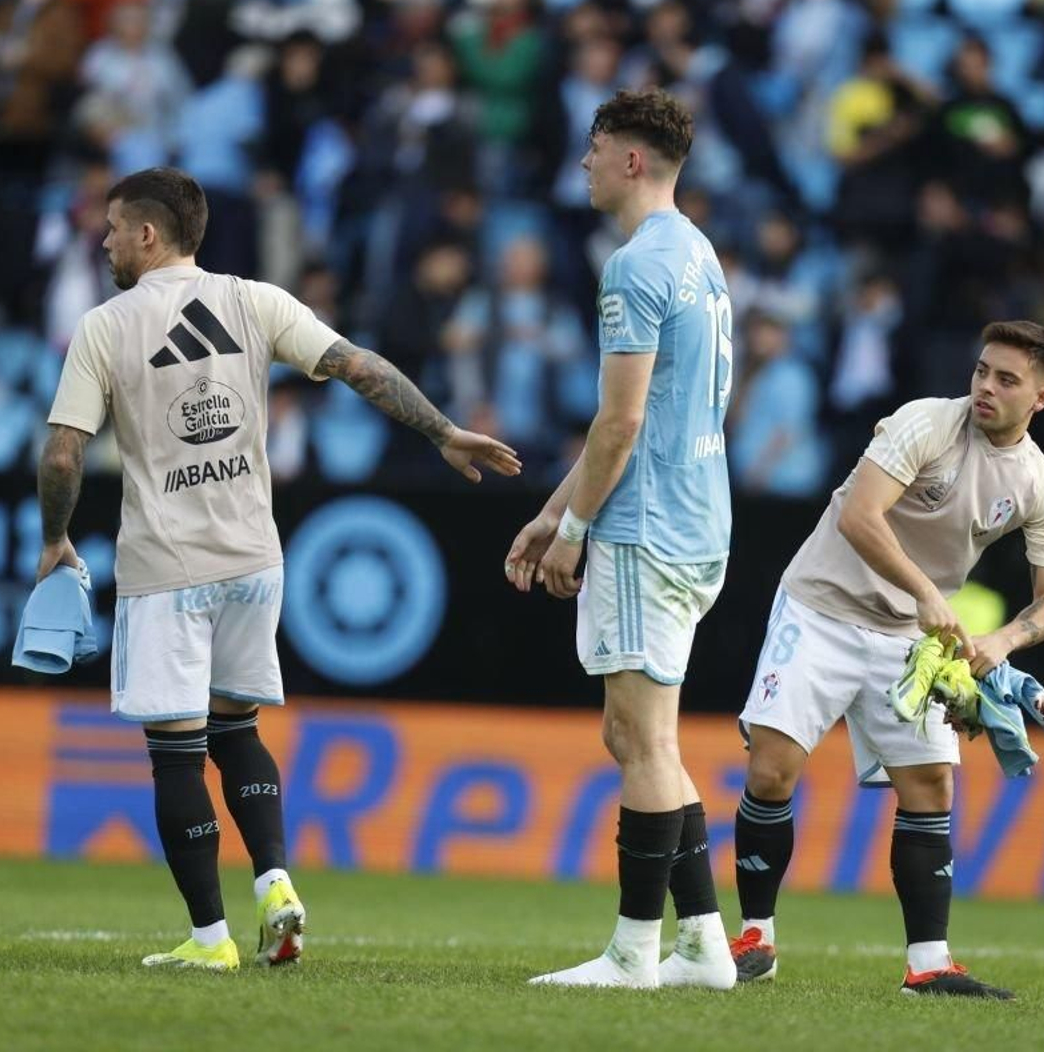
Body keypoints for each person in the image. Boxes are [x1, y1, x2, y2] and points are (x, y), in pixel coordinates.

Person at [36, 166, 519, 972]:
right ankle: (276, 883)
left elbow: (62, 453)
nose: (107, 241)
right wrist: (442, 431)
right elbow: (360, 366)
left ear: (148, 234)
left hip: (168, 564)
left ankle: (209, 940)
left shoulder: (106, 325)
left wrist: (55, 538)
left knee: (176, 751)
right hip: (254, 558)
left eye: (115, 228)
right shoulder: (256, 301)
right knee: (238, 729)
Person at [729, 321, 1044, 1000]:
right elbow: (859, 516)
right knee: (771, 767)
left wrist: (1001, 642)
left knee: (932, 787)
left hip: (907, 640)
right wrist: (927, 594)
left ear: (1041, 399)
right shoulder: (927, 423)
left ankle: (929, 965)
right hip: (822, 607)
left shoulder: (1041, 486)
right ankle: (756, 938)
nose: (985, 387)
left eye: (1007, 379)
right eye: (982, 370)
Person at [503, 89, 737, 990]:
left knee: (641, 739)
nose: (585, 162)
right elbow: (653, 413)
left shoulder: (636, 266)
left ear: (632, 159)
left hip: (646, 525)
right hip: (697, 515)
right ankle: (704, 943)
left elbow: (620, 421)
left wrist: (574, 528)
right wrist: (550, 513)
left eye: (595, 147)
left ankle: (634, 950)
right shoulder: (698, 253)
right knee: (641, 736)